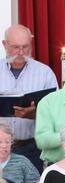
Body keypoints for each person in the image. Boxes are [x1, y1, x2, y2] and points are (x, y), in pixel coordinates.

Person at [0, 24, 58, 173]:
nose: (21, 52)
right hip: (0, 146)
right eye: (15, 47)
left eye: (25, 47)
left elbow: (57, 113)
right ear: (4, 44)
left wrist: (36, 114)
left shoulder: (45, 73)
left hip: (31, 147)